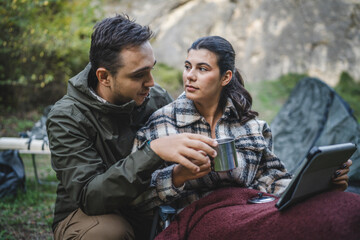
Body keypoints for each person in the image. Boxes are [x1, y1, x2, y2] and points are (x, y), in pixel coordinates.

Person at [130, 36, 354, 218]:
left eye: (202, 69)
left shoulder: (250, 126)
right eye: (188, 66)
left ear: (225, 77)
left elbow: (272, 180)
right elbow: (137, 199)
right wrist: (179, 175)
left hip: (251, 210)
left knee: (347, 206)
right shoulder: (164, 122)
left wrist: (322, 185)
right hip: (197, 217)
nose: (190, 76)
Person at [46, 15, 219, 240]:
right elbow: (90, 196)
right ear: (104, 77)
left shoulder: (157, 99)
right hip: (90, 215)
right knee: (109, 233)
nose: (151, 83)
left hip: (150, 206)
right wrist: (152, 151)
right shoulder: (67, 117)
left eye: (151, 70)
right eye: (139, 75)